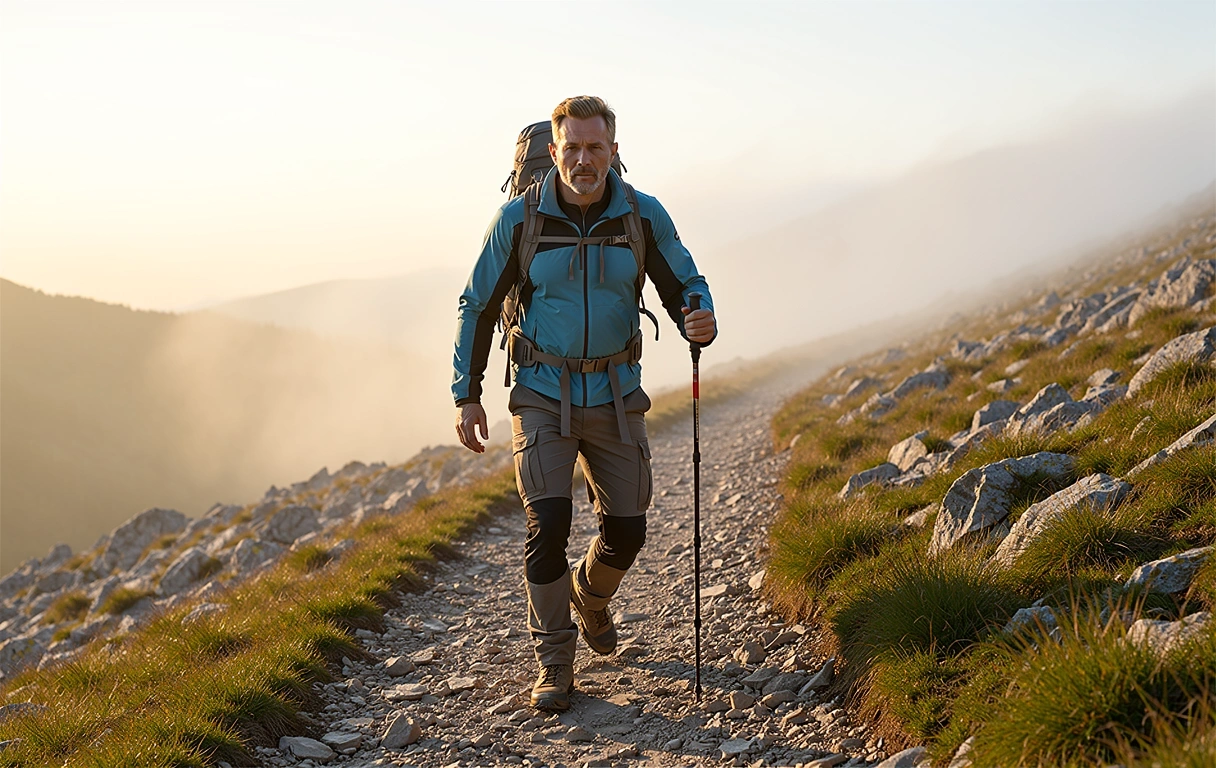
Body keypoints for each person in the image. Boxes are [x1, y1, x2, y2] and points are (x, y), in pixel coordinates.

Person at [452, 95, 716, 712]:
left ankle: (591, 598)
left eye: (595, 147)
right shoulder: (518, 220)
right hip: (541, 392)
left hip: (617, 393)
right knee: (548, 526)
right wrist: (467, 395)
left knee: (627, 527)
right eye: (570, 147)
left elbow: (684, 280)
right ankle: (554, 664)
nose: (582, 159)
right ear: (553, 151)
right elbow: (477, 307)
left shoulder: (640, 216)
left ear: (614, 152)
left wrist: (698, 316)